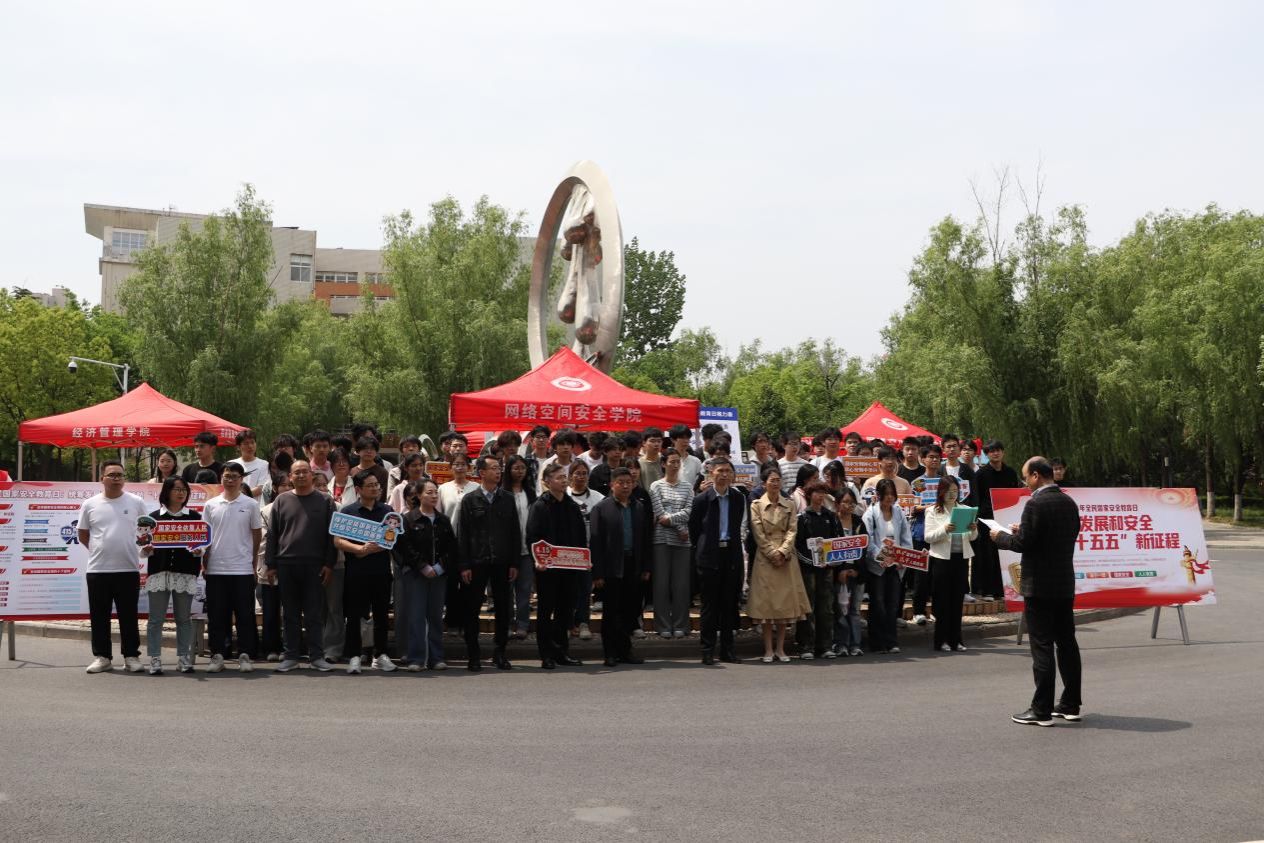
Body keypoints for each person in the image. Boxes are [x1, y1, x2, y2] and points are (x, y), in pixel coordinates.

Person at [993, 457, 1083, 727]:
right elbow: (1059, 536)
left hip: (1039, 585)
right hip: (1063, 582)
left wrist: (1000, 538)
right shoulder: (1068, 502)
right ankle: (1070, 704)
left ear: (1035, 475)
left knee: (1042, 645)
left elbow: (1023, 544)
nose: (1025, 483)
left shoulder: (1035, 503)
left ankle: (1041, 710)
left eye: (1025, 478)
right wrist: (1024, 532)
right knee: (1067, 643)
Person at [264, 460, 337, 673]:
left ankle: (317, 656)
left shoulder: (325, 501)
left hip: (315, 565)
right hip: (286, 563)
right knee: (290, 614)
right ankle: (291, 656)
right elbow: (273, 535)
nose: (302, 475)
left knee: (314, 614)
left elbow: (331, 536)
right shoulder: (281, 500)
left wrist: (329, 563)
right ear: (290, 477)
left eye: (305, 472)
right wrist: (271, 564)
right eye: (297, 473)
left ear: (312, 475)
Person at [78, 460, 146, 674]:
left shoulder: (136, 502)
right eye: (112, 475)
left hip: (128, 568)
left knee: (129, 615)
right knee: (99, 616)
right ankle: (102, 657)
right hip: (98, 569)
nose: (117, 478)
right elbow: (83, 533)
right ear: (102, 479)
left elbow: (145, 532)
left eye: (120, 475)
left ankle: (131, 656)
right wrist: (100, 549)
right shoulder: (90, 504)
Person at [456, 456, 520, 671]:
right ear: (482, 473)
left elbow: (515, 532)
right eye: (493, 468)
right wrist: (464, 565)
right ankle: (473, 655)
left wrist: (514, 562)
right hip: (476, 562)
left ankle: (500, 652)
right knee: (471, 609)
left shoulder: (507, 498)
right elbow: (463, 534)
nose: (498, 471)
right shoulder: (470, 500)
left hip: (502, 562)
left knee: (503, 609)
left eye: (499, 468)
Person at [333, 469, 397, 674]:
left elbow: (392, 538)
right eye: (370, 485)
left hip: (381, 571)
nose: (375, 488)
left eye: (377, 485)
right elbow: (338, 540)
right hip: (356, 572)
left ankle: (381, 655)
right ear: (358, 489)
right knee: (354, 615)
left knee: (381, 614)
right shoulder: (348, 511)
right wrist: (359, 549)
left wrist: (372, 548)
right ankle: (354, 656)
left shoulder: (387, 511)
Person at [526, 463, 589, 669]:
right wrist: (538, 560)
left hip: (569, 567)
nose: (563, 480)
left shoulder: (572, 505)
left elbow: (581, 537)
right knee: (546, 611)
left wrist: (584, 559)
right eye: (559, 477)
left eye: (564, 477)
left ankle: (562, 652)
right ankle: (546, 654)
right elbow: (532, 536)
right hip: (547, 569)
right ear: (547, 482)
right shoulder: (540, 506)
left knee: (565, 610)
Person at [202, 461, 263, 673]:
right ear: (221, 478)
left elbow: (256, 534)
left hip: (242, 569)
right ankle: (217, 655)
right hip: (216, 568)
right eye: (227, 476)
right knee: (217, 615)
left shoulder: (251, 504)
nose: (230, 480)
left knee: (245, 615)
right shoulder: (211, 504)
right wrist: (205, 561)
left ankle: (245, 655)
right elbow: (205, 536)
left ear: (241, 479)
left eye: (235, 476)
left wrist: (253, 561)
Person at [746, 463, 810, 663]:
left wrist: (783, 551)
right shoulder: (756, 505)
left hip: (786, 557)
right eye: (772, 480)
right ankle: (767, 649)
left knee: (784, 606)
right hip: (765, 558)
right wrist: (772, 552)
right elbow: (757, 532)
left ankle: (781, 648)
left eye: (778, 480)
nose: (775, 483)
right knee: (766, 607)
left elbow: (792, 530)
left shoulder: (789, 504)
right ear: (764, 483)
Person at [589, 467, 652, 667]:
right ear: (612, 485)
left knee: (629, 611)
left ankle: (625, 651)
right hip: (611, 566)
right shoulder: (601, 508)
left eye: (629, 482)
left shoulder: (639, 507)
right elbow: (596, 543)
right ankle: (610, 653)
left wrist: (646, 567)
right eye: (621, 482)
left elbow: (645, 539)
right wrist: (598, 573)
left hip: (633, 564)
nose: (625, 486)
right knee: (611, 612)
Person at [141, 476, 203, 675]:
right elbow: (142, 548)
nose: (181, 493)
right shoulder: (153, 518)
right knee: (156, 619)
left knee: (183, 618)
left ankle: (184, 657)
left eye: (184, 489)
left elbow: (202, 545)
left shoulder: (195, 517)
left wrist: (199, 551)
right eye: (176, 489)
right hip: (159, 573)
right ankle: (155, 658)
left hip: (185, 573)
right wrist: (146, 549)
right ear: (166, 491)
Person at [394, 480, 458, 671]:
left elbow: (451, 547)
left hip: (438, 574)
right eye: (429, 492)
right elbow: (404, 547)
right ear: (419, 495)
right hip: (415, 574)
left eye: (436, 492)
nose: (434, 496)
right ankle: (416, 658)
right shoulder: (408, 519)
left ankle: (436, 657)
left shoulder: (443, 520)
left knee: (435, 616)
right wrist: (422, 566)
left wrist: (439, 567)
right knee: (416, 616)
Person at [690, 458, 747, 665]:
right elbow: (694, 529)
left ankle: (727, 650)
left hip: (731, 554)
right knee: (709, 606)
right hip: (709, 556)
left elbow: (738, 525)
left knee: (729, 604)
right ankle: (707, 650)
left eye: (728, 471)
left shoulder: (738, 498)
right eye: (720, 471)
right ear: (711, 473)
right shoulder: (701, 499)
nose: (724, 475)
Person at [924, 474, 977, 652]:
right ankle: (941, 640)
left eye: (955, 491)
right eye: (948, 491)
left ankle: (957, 640)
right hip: (941, 560)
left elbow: (972, 537)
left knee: (957, 600)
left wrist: (973, 529)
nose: (952, 494)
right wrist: (945, 529)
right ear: (941, 492)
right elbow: (928, 537)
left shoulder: (965, 509)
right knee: (942, 601)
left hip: (960, 559)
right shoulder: (932, 511)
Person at [862, 478, 913, 654]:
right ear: (879, 495)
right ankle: (877, 642)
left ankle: (891, 641)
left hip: (895, 566)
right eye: (886, 494)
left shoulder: (898, 512)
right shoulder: (870, 514)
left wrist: (903, 557)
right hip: (878, 566)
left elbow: (906, 537)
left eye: (892, 494)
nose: (890, 497)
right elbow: (868, 541)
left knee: (893, 605)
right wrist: (882, 557)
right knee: (878, 604)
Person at [794, 481, 840, 660]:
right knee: (808, 607)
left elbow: (837, 541)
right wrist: (811, 561)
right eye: (817, 492)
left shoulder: (831, 516)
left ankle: (825, 645)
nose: (820, 496)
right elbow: (797, 546)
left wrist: (831, 562)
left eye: (823, 492)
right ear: (809, 495)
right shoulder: (802, 517)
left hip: (826, 569)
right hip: (808, 570)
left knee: (826, 607)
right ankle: (806, 646)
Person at [649, 449, 693, 639]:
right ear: (663, 464)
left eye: (678, 462)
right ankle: (663, 625)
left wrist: (677, 525)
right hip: (661, 539)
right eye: (672, 462)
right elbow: (659, 513)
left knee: (681, 585)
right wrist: (679, 527)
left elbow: (688, 511)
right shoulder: (655, 486)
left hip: (683, 541)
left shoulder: (688, 487)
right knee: (661, 584)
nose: (675, 465)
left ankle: (681, 624)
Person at [973, 440, 1021, 600]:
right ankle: (987, 590)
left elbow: (1015, 494)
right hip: (987, 520)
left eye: (998, 450)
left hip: (1006, 517)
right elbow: (976, 497)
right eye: (991, 451)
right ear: (987, 454)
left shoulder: (1010, 472)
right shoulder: (980, 474)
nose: (995, 453)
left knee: (1005, 552)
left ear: (1003, 452)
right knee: (988, 555)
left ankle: (1004, 590)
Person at [566, 460, 604, 641]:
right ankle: (567, 623)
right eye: (577, 473)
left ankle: (583, 623)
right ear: (570, 476)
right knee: (567, 590)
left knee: (585, 589)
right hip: (566, 553)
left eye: (584, 473)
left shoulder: (598, 498)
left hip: (588, 552)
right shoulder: (563, 496)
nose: (581, 477)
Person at [255, 472, 292, 661]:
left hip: (292, 566)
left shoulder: (300, 506)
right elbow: (263, 541)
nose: (287, 488)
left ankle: (289, 648)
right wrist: (269, 564)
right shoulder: (266, 510)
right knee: (270, 610)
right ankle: (271, 648)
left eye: (289, 485)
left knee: (291, 611)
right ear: (275, 488)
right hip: (269, 566)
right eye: (283, 485)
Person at [501, 455, 537, 639]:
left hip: (527, 549)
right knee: (506, 591)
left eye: (523, 468)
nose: (520, 471)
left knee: (524, 589)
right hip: (507, 550)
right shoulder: (502, 493)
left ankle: (523, 623)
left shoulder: (530, 492)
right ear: (508, 470)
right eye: (516, 468)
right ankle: (507, 623)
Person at [831, 487, 867, 657]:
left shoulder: (859, 522)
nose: (849, 506)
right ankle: (841, 644)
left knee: (854, 611)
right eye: (845, 502)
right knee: (840, 611)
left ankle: (855, 644)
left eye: (852, 503)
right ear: (837, 504)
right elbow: (829, 549)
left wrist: (856, 570)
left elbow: (864, 547)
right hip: (838, 574)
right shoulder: (832, 522)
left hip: (857, 573)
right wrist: (840, 571)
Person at [234, 429, 271, 495]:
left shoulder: (264, 464)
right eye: (246, 443)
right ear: (238, 447)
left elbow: (261, 488)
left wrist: (239, 496)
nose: (250, 446)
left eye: (252, 442)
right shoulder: (232, 464)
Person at [668, 424, 704, 488]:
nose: (686, 441)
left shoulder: (696, 461)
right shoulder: (666, 459)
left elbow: (699, 482)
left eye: (688, 438)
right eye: (682, 438)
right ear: (673, 440)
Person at [638, 427, 665, 492]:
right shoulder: (638, 463)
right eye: (652, 441)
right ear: (644, 443)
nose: (656, 444)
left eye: (659, 441)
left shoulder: (665, 461)